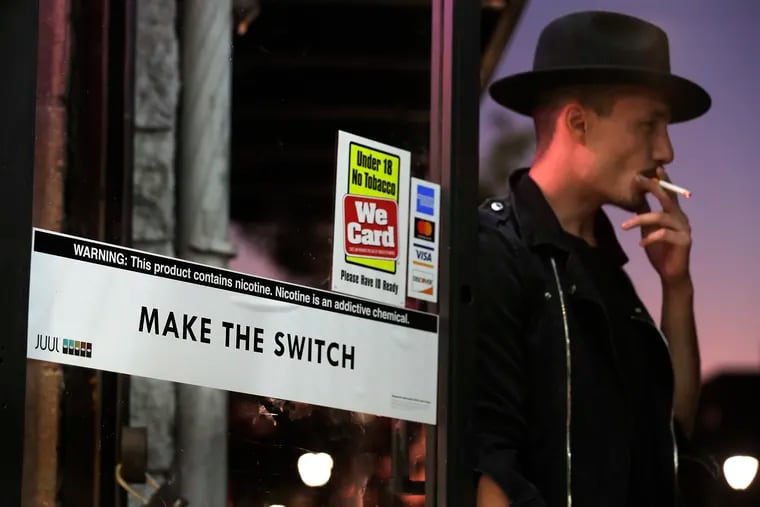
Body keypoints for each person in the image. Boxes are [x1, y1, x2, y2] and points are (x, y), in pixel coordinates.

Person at [470, 10, 710, 507]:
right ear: (578, 123)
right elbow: (491, 470)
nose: (665, 150)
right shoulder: (497, 246)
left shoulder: (609, 267)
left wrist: (676, 287)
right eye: (649, 124)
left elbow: (671, 432)